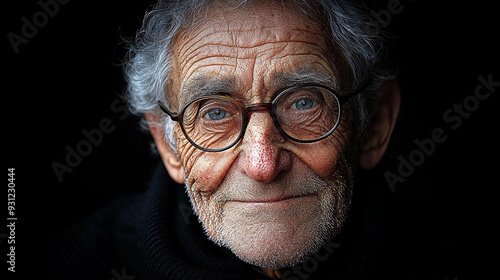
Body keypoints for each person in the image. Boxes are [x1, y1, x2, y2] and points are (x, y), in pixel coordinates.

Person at [53, 0, 401, 279]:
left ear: (375, 126)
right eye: (215, 113)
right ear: (168, 145)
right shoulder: (77, 264)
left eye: (303, 102)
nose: (262, 165)